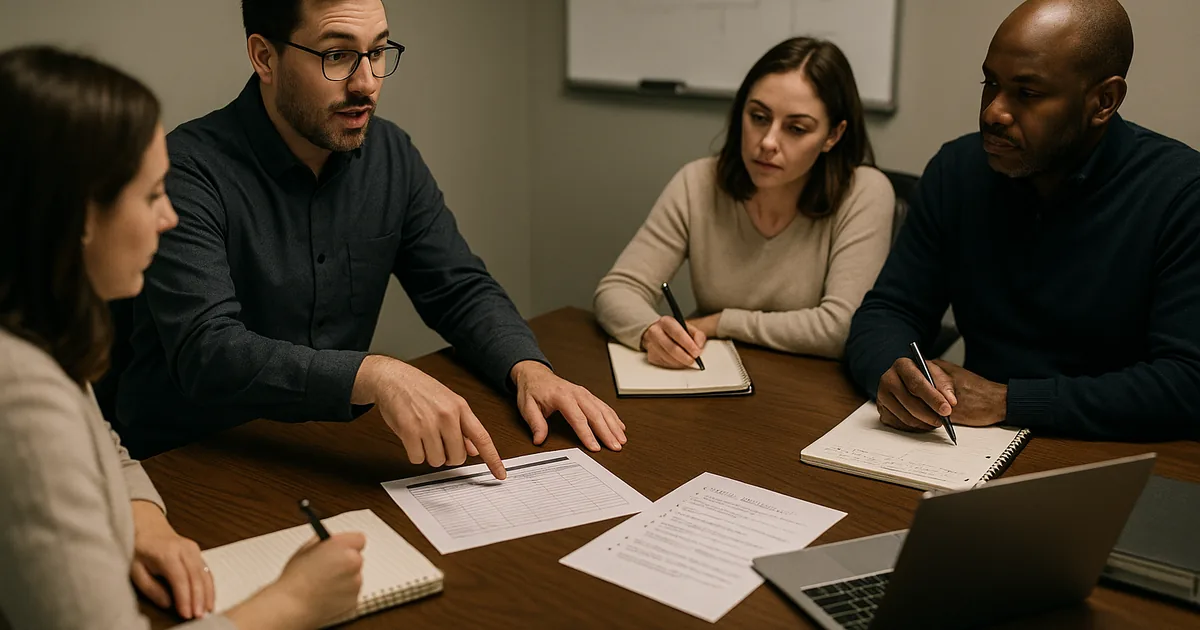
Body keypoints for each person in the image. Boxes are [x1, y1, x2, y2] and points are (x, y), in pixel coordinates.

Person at [108, 0, 625, 469]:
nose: (367, 83)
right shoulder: (187, 170)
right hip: (192, 460)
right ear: (264, 58)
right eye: (337, 56)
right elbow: (208, 350)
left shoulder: (390, 154)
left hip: (327, 451)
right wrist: (373, 373)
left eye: (378, 52)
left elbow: (458, 288)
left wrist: (528, 368)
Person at [0, 46, 366, 630]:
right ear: (76, 218)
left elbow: (103, 443)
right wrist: (292, 604)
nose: (169, 218)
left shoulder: (33, 328)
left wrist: (142, 518)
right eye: (150, 196)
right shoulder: (18, 395)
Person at [845, 0, 1200, 441]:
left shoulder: (1181, 193)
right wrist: (897, 374)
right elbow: (888, 310)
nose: (994, 111)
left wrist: (1009, 401)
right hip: (968, 447)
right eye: (989, 83)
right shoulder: (957, 171)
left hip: (1116, 455)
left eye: (1027, 93)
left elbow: (1187, 384)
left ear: (1103, 101)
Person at [593, 37, 894, 368]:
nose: (767, 142)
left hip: (813, 392)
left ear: (832, 136)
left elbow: (841, 328)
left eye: (795, 128)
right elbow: (617, 289)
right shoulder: (698, 182)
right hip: (709, 379)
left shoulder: (864, 192)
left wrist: (719, 322)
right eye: (759, 117)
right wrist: (650, 331)